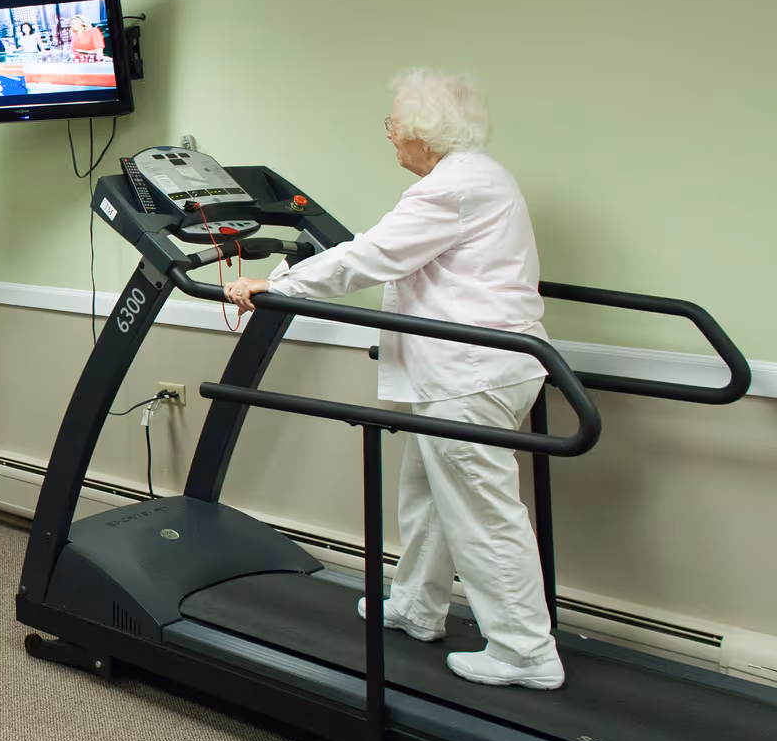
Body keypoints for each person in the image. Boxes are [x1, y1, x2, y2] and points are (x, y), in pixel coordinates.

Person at [224, 70, 563, 689]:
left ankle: (524, 651)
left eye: (392, 128)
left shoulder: (449, 188)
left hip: (468, 373)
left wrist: (276, 286)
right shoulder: (480, 175)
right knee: (429, 494)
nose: (390, 139)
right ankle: (415, 605)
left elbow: (370, 256)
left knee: (482, 511)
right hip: (476, 369)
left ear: (421, 134)